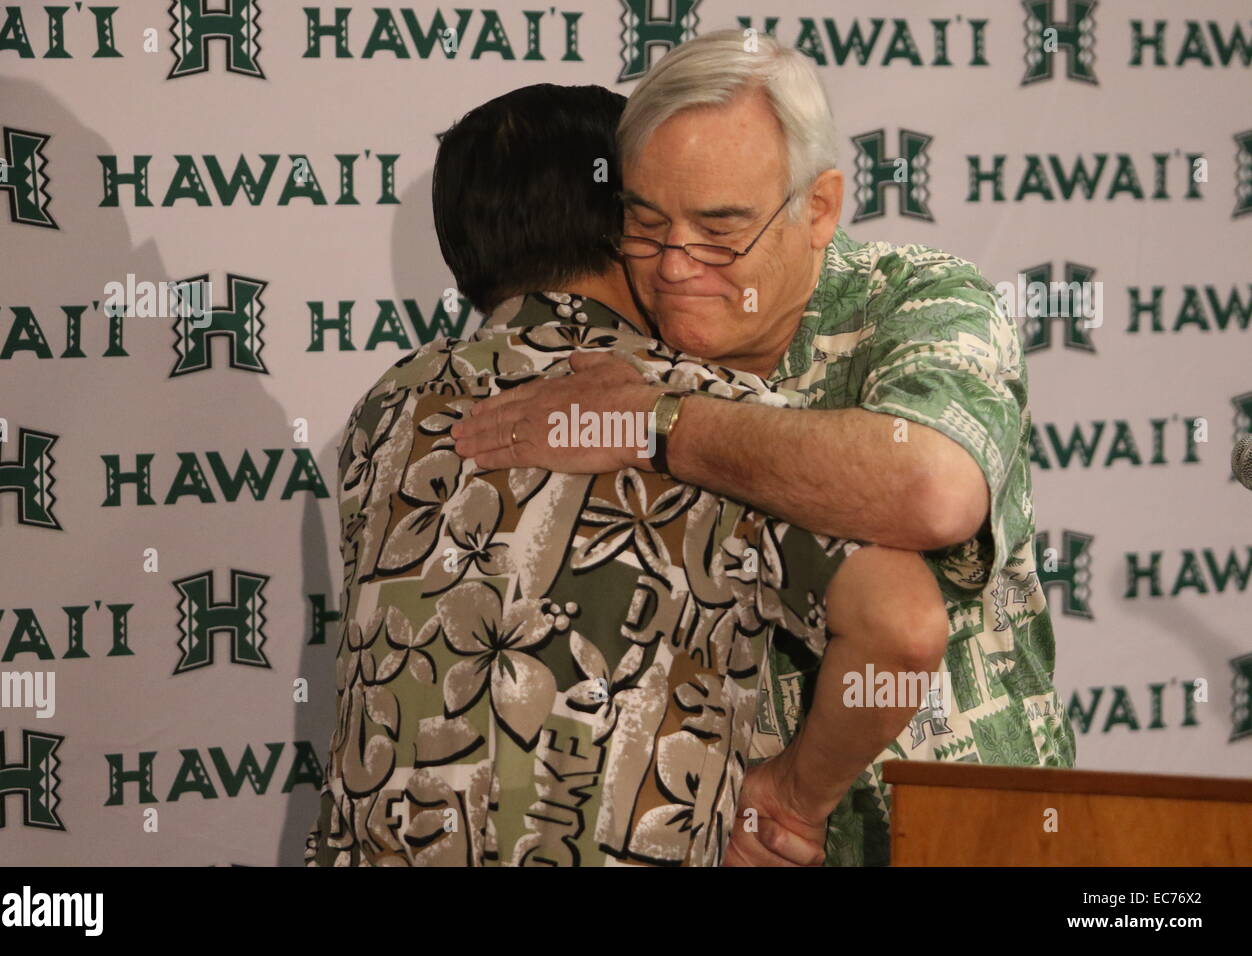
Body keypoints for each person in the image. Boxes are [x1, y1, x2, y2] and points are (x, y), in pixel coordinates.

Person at [453, 30, 1077, 867]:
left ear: (818, 207)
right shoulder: (627, 345)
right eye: (645, 222)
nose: (674, 266)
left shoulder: (924, 299)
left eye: (721, 231)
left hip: (970, 835)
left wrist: (659, 424)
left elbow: (933, 489)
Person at [305, 83, 948, 867]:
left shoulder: (388, 412)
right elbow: (906, 631)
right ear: (628, 222)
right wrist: (793, 799)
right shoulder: (704, 413)